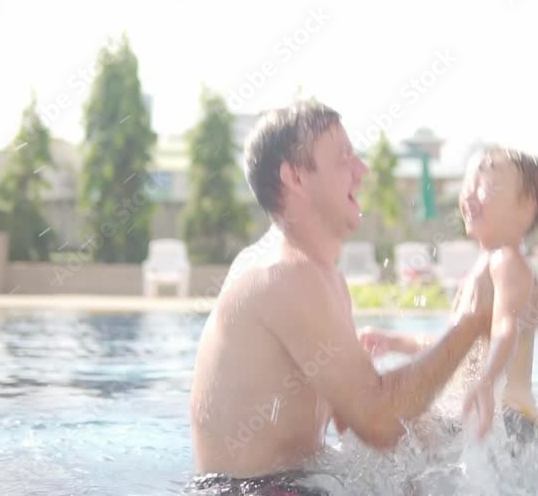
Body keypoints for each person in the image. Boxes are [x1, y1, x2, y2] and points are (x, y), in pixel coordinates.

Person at [188, 101, 495, 495]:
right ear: (295, 176)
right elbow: (378, 422)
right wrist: (470, 325)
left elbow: (358, 418)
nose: (362, 171)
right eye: (343, 158)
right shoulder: (283, 275)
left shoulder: (322, 276)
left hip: (289, 482)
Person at [359, 146, 538, 447]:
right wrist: (395, 342)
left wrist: (487, 382)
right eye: (467, 185)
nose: (469, 194)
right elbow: (457, 352)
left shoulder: (507, 261)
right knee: (408, 428)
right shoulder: (484, 266)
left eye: (484, 186)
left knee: (398, 428)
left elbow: (506, 326)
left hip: (509, 420)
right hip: (494, 418)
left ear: (526, 206)